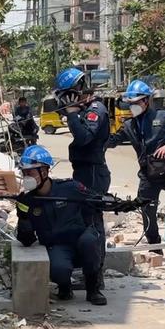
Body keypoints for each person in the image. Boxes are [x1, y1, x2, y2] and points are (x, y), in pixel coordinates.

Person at [14, 145, 107, 305]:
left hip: (81, 240)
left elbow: (97, 200)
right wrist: (23, 218)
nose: (26, 177)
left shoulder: (70, 188)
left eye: (30, 173)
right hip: (57, 246)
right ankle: (65, 287)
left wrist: (117, 203)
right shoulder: (27, 201)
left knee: (90, 241)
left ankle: (93, 289)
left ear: (44, 172)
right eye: (24, 173)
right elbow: (27, 240)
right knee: (59, 271)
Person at [106, 80, 165, 254]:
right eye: (130, 103)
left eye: (136, 103)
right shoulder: (129, 126)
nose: (132, 107)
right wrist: (98, 136)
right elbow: (113, 141)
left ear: (146, 101)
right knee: (147, 211)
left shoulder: (163, 117)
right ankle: (155, 248)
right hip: (148, 176)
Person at [54, 67, 111, 284]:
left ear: (75, 91)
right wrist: (71, 112)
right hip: (85, 171)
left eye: (66, 96)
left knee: (92, 223)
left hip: (93, 173)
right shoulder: (84, 109)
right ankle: (91, 272)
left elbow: (84, 137)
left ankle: (95, 277)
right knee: (86, 220)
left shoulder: (96, 110)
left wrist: (71, 113)